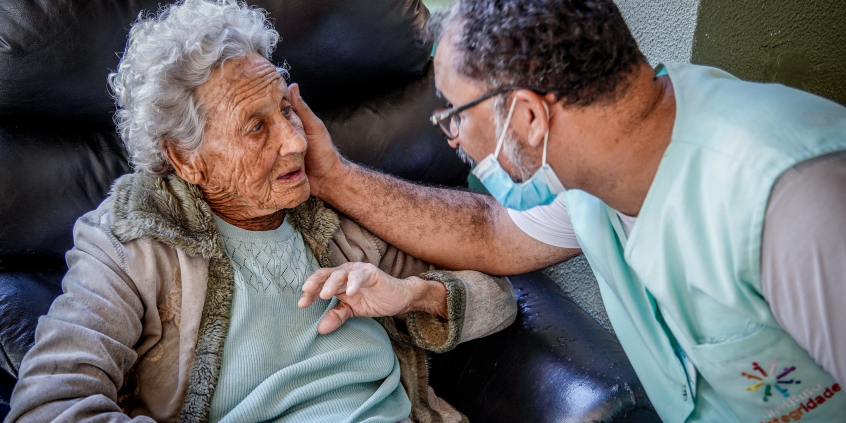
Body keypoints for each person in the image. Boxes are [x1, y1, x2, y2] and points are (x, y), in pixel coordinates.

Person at [294, 0, 846, 421]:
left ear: (530, 117)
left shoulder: (797, 205)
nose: (452, 138)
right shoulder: (600, 164)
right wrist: (336, 177)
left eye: (455, 114)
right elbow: (492, 233)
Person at [5, 1, 518, 422]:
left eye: (287, 109)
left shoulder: (329, 210)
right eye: (257, 127)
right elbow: (48, 407)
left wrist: (410, 295)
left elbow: (502, 299)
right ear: (185, 159)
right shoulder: (132, 239)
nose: (296, 142)